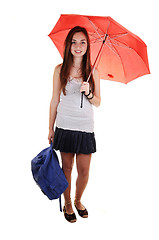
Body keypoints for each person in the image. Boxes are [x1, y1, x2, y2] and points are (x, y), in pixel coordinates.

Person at [48, 26, 101, 223]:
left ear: (88, 46)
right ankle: (68, 203)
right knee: (67, 168)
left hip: (85, 127)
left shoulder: (93, 71)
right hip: (65, 125)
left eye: (82, 42)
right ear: (68, 45)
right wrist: (50, 127)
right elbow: (54, 100)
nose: (78, 46)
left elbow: (98, 102)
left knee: (84, 170)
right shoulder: (59, 69)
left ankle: (78, 200)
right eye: (74, 42)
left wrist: (88, 92)